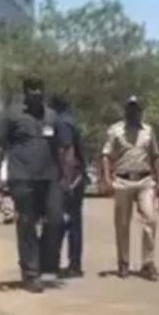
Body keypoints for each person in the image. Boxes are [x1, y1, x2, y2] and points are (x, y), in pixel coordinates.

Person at [0, 77, 71, 294]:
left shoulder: (53, 117)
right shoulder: (12, 116)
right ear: (25, 93)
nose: (36, 93)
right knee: (26, 224)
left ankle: (45, 262)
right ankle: (30, 274)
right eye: (32, 90)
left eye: (39, 89)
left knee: (56, 220)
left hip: (50, 178)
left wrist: (66, 175)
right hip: (22, 177)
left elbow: (63, 148)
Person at [101, 95, 159, 280]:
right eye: (130, 108)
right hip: (122, 180)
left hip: (145, 180)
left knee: (150, 219)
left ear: (140, 111)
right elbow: (106, 155)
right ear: (125, 110)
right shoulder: (115, 131)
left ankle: (148, 263)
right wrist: (107, 179)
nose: (133, 112)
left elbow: (156, 155)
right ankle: (123, 262)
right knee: (122, 223)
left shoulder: (149, 131)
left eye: (136, 108)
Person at [52, 94, 88, 278]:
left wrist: (65, 182)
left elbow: (67, 152)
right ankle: (73, 263)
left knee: (68, 221)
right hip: (76, 176)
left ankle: (72, 264)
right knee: (72, 221)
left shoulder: (62, 123)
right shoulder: (70, 120)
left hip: (71, 178)